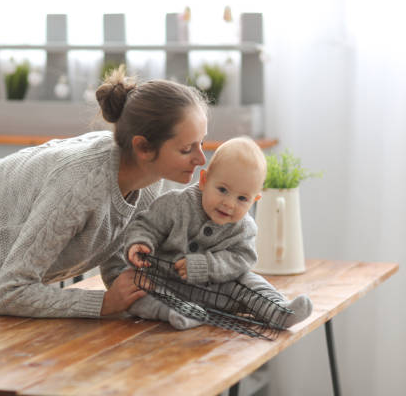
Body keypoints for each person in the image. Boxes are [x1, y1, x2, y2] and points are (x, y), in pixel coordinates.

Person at [0, 66, 210, 334]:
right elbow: (12, 292)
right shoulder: (80, 185)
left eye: (201, 144)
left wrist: (162, 301)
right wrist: (103, 303)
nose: (200, 158)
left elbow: (115, 260)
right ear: (143, 147)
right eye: (187, 149)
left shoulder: (147, 179)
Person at [124, 137, 313, 330]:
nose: (229, 204)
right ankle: (179, 313)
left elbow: (242, 258)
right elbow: (146, 225)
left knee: (250, 282)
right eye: (222, 190)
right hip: (165, 284)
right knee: (136, 292)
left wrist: (205, 266)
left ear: (254, 200)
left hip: (220, 290)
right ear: (204, 181)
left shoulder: (244, 228)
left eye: (242, 198)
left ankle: (278, 312)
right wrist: (141, 242)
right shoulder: (175, 204)